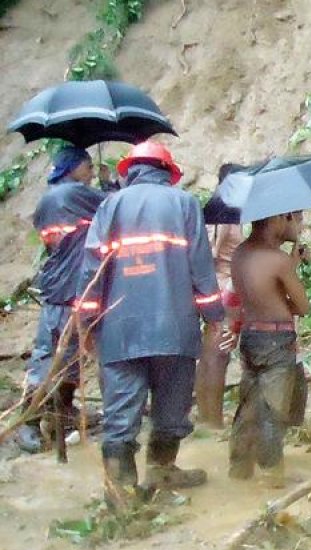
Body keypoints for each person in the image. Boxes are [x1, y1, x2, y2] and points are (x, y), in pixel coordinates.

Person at [77, 141, 224, 503]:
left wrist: (87, 322)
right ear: (167, 172)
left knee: (120, 412)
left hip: (120, 329)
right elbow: (200, 267)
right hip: (175, 327)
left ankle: (122, 490)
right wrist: (214, 317)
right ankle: (162, 472)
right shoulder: (184, 204)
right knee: (171, 407)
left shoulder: (109, 206)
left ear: (131, 170)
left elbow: (92, 270)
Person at [14, 146, 106, 453]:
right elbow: (115, 207)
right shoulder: (72, 194)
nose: (92, 172)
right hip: (67, 287)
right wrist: (111, 186)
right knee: (50, 355)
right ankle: (27, 421)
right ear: (75, 167)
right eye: (89, 166)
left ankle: (62, 410)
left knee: (71, 354)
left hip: (65, 284)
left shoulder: (50, 198)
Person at [227, 211, 309, 485]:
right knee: (273, 411)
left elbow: (257, 294)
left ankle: (239, 469)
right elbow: (303, 307)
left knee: (248, 406)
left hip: (251, 336)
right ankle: (271, 476)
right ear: (276, 220)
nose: (295, 224)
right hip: (276, 340)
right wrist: (291, 267)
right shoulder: (277, 260)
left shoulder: (239, 254)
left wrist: (290, 265)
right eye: (291, 219)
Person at [194, 163, 248, 428]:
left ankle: (207, 417)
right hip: (224, 287)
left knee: (210, 354)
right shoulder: (227, 212)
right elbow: (213, 254)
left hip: (217, 287)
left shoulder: (214, 209)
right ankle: (211, 420)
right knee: (217, 355)